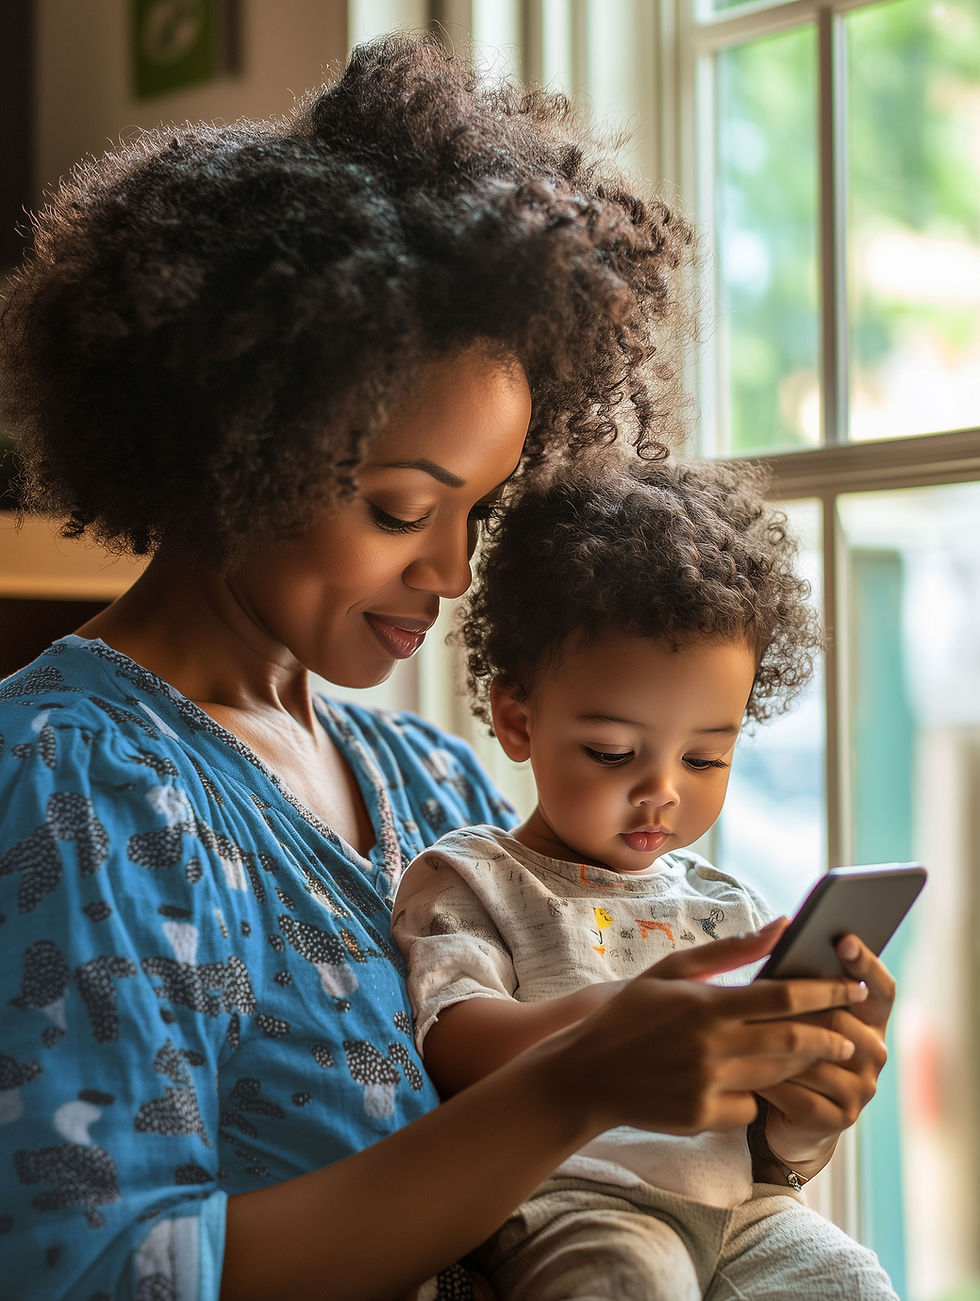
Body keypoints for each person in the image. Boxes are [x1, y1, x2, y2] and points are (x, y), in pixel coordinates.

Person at [0, 31, 885, 1301]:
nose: (453, 572)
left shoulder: (428, 776)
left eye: (477, 506)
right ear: (228, 446)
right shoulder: (69, 780)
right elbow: (101, 1272)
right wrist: (574, 1076)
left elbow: (570, 1209)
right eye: (401, 506)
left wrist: (765, 1101)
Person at [392, 458, 898, 1299]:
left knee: (853, 1278)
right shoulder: (473, 876)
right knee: (631, 1279)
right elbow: (450, 1039)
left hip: (742, 1210)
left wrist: (809, 1109)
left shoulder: (727, 905)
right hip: (570, 1201)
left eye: (706, 756)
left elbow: (771, 1146)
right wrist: (604, 1024)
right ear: (518, 719)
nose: (663, 788)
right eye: (613, 752)